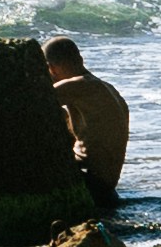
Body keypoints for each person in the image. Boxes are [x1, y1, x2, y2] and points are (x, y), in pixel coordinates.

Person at [42, 35, 130, 202]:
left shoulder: (77, 85)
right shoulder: (106, 88)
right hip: (107, 185)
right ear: (80, 59)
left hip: (92, 182)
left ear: (51, 68)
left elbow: (28, 101)